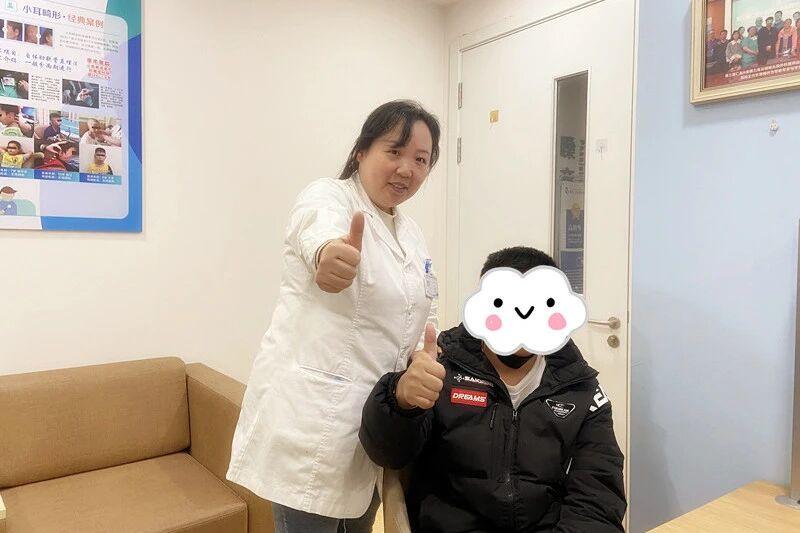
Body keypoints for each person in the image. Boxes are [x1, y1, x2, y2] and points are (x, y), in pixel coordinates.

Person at [226, 100, 442, 533]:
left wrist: (423, 356)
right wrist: (327, 255)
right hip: (311, 428)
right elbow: (317, 231)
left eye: (421, 160)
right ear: (362, 150)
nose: (406, 169)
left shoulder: (411, 232)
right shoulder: (329, 196)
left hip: (372, 428)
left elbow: (423, 310)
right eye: (394, 151)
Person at [360, 247, 626, 532]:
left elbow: (597, 493)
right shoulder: (441, 369)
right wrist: (400, 400)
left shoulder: (580, 388)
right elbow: (389, 455)